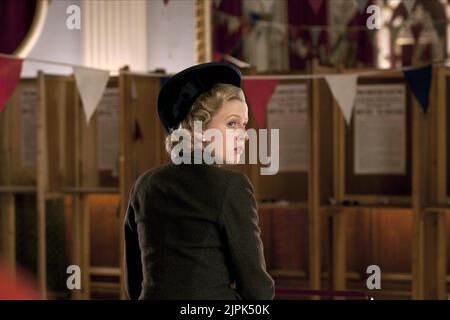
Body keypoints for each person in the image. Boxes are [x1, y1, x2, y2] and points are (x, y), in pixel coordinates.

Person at [124, 62, 274, 300]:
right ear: (198, 129)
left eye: (243, 125)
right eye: (232, 123)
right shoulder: (231, 186)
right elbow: (257, 290)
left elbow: (134, 280)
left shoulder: (144, 184)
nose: (244, 135)